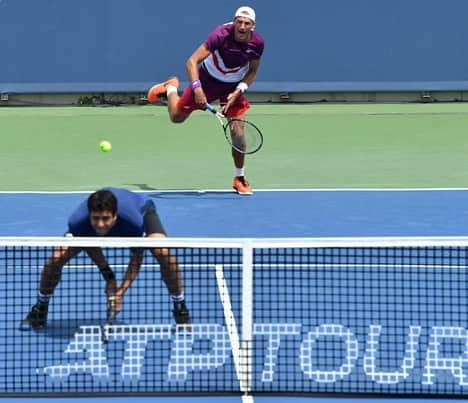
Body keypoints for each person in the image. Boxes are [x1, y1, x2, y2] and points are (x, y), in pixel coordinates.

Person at [22, 187, 191, 329]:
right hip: (92, 227)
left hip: (143, 208)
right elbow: (90, 246)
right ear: (89, 215)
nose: (100, 224)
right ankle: (40, 307)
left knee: (163, 253)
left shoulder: (132, 222)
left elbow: (136, 258)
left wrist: (119, 293)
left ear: (115, 215)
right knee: (56, 258)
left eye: (105, 219)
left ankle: (180, 305)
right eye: (96, 218)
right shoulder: (78, 222)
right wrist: (109, 276)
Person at [147, 6, 264, 195]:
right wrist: (197, 87)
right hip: (207, 80)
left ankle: (239, 177)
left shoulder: (257, 43)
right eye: (239, 22)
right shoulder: (220, 35)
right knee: (176, 117)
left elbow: (252, 72)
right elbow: (191, 61)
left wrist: (238, 90)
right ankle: (170, 87)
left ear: (253, 26)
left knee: (237, 131)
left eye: (246, 23)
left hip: (232, 87)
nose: (242, 27)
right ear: (234, 22)